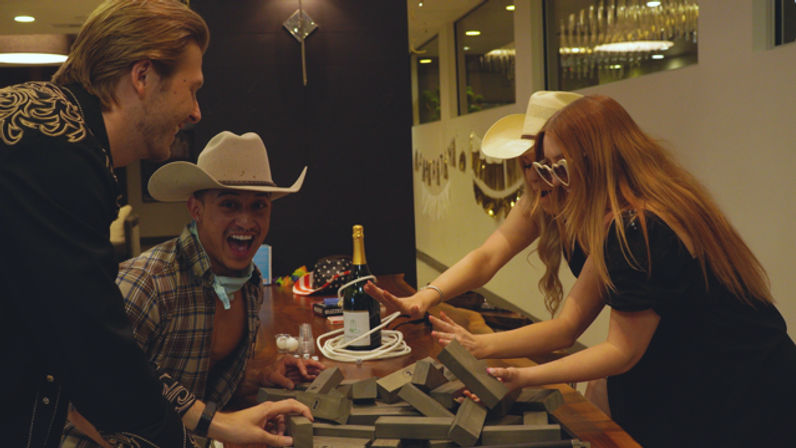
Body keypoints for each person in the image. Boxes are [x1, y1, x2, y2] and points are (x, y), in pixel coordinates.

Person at [0, 1, 309, 447]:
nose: (197, 111)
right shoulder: (59, 154)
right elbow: (97, 352)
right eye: (192, 88)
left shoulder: (62, 136)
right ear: (143, 77)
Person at [436, 95, 796, 447]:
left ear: (598, 161)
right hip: (719, 375)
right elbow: (572, 327)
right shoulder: (625, 214)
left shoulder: (636, 227)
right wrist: (480, 345)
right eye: (542, 168)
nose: (549, 182)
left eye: (558, 168)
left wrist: (521, 376)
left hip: (742, 388)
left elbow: (622, 351)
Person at [61, 131, 319, 447]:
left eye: (258, 206)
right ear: (195, 209)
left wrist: (258, 379)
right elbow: (79, 399)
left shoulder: (251, 286)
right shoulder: (147, 283)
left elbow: (197, 388)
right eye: (229, 204)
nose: (246, 221)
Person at [364, 90, 584, 321]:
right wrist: (425, 297)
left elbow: (571, 330)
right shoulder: (537, 203)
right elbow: (486, 258)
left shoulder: (612, 220)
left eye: (546, 164)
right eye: (528, 165)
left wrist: (479, 343)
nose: (534, 177)